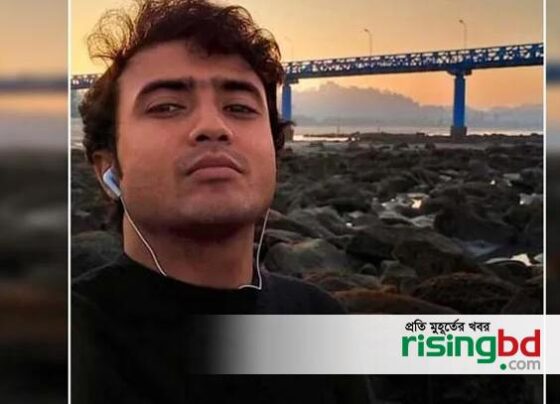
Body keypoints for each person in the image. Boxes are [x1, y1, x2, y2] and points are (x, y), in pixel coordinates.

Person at [72, 0, 374, 402]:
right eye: (166, 107)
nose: (213, 126)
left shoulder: (317, 319)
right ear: (108, 168)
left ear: (274, 151)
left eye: (239, 108)